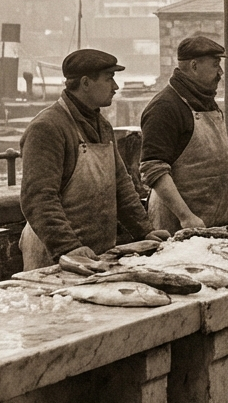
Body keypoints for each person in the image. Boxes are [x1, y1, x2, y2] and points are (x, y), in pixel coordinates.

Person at [19, 49, 165, 269]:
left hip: (96, 253)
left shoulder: (102, 126)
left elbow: (121, 186)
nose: (115, 86)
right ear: (85, 83)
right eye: (109, 78)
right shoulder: (47, 128)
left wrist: (145, 231)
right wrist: (67, 247)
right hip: (54, 255)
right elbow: (38, 197)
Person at [139, 35, 228, 232]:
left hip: (217, 219)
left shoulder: (208, 102)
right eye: (215, 65)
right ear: (194, 66)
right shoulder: (164, 107)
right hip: (180, 226)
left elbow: (222, 163)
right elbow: (153, 169)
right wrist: (186, 216)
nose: (220, 72)